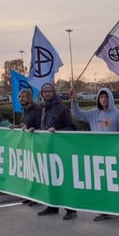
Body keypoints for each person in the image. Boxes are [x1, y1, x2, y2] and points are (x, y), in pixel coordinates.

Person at [70, 87, 119, 221]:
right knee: (101, 183)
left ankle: (116, 208)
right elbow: (78, 114)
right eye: (101, 97)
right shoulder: (93, 114)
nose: (103, 99)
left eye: (106, 97)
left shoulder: (118, 114)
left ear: (110, 98)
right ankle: (104, 210)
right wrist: (74, 101)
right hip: (97, 155)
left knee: (113, 183)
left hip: (113, 155)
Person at [36, 83, 78, 220]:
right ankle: (52, 205)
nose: (47, 93)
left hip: (60, 150)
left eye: (49, 91)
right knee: (50, 178)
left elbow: (71, 127)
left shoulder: (61, 108)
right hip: (47, 148)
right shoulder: (43, 108)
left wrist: (58, 132)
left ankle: (71, 209)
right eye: (44, 91)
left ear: (53, 92)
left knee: (63, 179)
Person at [13, 88, 42, 206]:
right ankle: (31, 195)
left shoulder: (37, 110)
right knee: (29, 170)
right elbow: (25, 124)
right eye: (20, 97)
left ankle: (37, 196)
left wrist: (32, 129)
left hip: (36, 143)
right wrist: (17, 126)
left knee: (36, 171)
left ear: (29, 97)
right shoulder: (25, 110)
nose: (21, 99)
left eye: (23, 96)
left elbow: (39, 125)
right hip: (28, 144)